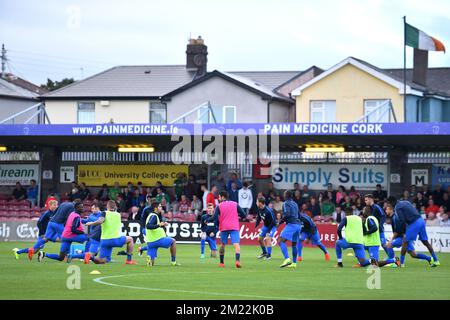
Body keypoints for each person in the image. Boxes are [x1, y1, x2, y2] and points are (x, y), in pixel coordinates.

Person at [387, 196, 439, 267]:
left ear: (390, 203)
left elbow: (402, 220)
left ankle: (401, 263)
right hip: (421, 220)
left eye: (388, 204)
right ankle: (436, 260)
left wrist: (405, 232)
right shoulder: (406, 202)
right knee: (425, 242)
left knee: (405, 241)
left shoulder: (397, 207)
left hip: (414, 223)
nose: (388, 206)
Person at [85, 200, 136, 265]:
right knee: (130, 239)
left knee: (103, 260)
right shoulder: (118, 214)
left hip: (104, 240)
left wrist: (91, 223)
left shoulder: (104, 213)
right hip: (115, 239)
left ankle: (91, 257)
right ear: (115, 207)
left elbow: (100, 221)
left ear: (107, 206)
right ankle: (129, 260)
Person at [207, 191, 247, 268]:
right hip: (234, 226)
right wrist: (236, 215)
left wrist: (207, 220)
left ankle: (222, 263)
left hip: (224, 227)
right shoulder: (235, 204)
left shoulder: (219, 206)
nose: (218, 199)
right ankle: (237, 261)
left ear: (222, 197)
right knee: (236, 244)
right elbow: (244, 215)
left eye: (219, 197)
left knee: (222, 245)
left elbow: (214, 217)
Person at [144, 202, 179, 266]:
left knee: (152, 263)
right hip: (158, 240)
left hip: (150, 242)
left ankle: (150, 259)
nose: (161, 208)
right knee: (173, 241)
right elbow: (148, 226)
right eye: (160, 207)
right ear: (155, 208)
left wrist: (162, 224)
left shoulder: (151, 215)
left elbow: (154, 225)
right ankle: (173, 261)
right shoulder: (154, 216)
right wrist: (159, 224)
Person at [364, 194, 395, 262]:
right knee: (368, 244)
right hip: (374, 230)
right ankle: (373, 258)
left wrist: (379, 225)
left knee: (383, 244)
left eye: (366, 200)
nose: (365, 201)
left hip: (379, 230)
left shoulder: (376, 207)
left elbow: (383, 216)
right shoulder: (369, 208)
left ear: (370, 199)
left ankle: (392, 258)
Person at [278, 190, 302, 268]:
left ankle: (287, 259)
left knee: (281, 240)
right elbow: (299, 215)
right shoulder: (295, 203)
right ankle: (294, 263)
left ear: (286, 196)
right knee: (294, 244)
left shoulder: (285, 203)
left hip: (292, 224)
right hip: (298, 225)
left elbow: (287, 214)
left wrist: (280, 222)